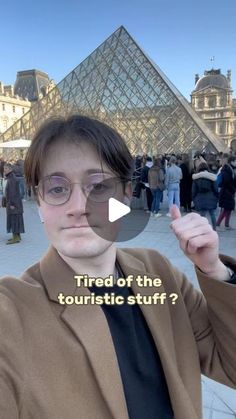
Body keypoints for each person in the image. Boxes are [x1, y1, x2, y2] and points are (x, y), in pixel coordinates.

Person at [0, 115, 236, 419]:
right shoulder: (12, 312)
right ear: (40, 203)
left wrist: (218, 272)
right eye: (57, 189)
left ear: (126, 195)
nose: (78, 207)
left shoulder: (161, 274)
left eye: (98, 186)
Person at [192, 162, 218, 230]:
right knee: (212, 214)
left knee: (202, 215)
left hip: (200, 199)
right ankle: (214, 229)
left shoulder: (196, 178)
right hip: (211, 197)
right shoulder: (212, 177)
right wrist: (216, 197)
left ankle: (203, 229)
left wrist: (193, 198)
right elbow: (215, 189)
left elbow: (194, 190)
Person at [3, 162, 25, 244]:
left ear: (10, 169)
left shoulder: (12, 178)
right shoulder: (10, 177)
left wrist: (12, 204)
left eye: (6, 169)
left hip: (14, 203)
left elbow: (12, 193)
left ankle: (15, 238)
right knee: (15, 218)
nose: (4, 170)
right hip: (15, 203)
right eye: (4, 168)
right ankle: (17, 236)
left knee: (14, 219)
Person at [216, 155, 236, 230]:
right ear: (231, 161)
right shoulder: (227, 169)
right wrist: (233, 189)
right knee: (225, 209)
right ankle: (217, 224)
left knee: (229, 208)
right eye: (235, 161)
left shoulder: (231, 169)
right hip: (226, 191)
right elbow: (227, 181)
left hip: (229, 191)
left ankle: (226, 224)